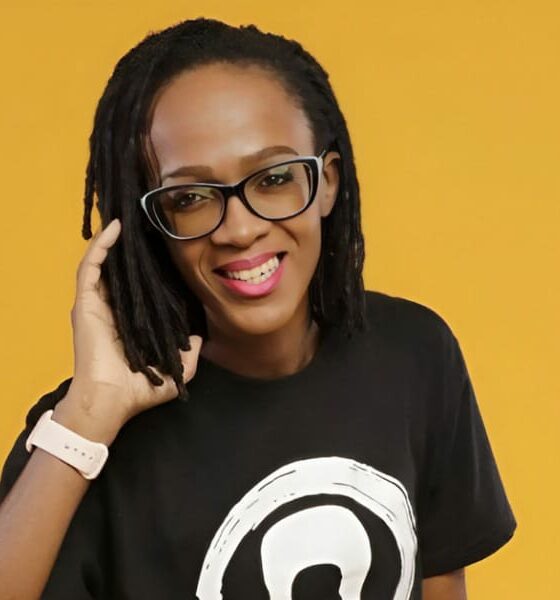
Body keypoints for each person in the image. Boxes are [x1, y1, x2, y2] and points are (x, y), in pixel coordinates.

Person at [0, 17, 516, 600]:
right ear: (151, 223)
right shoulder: (90, 432)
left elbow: (441, 583)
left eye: (272, 178)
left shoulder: (414, 355)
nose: (240, 229)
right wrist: (90, 412)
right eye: (191, 197)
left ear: (326, 182)